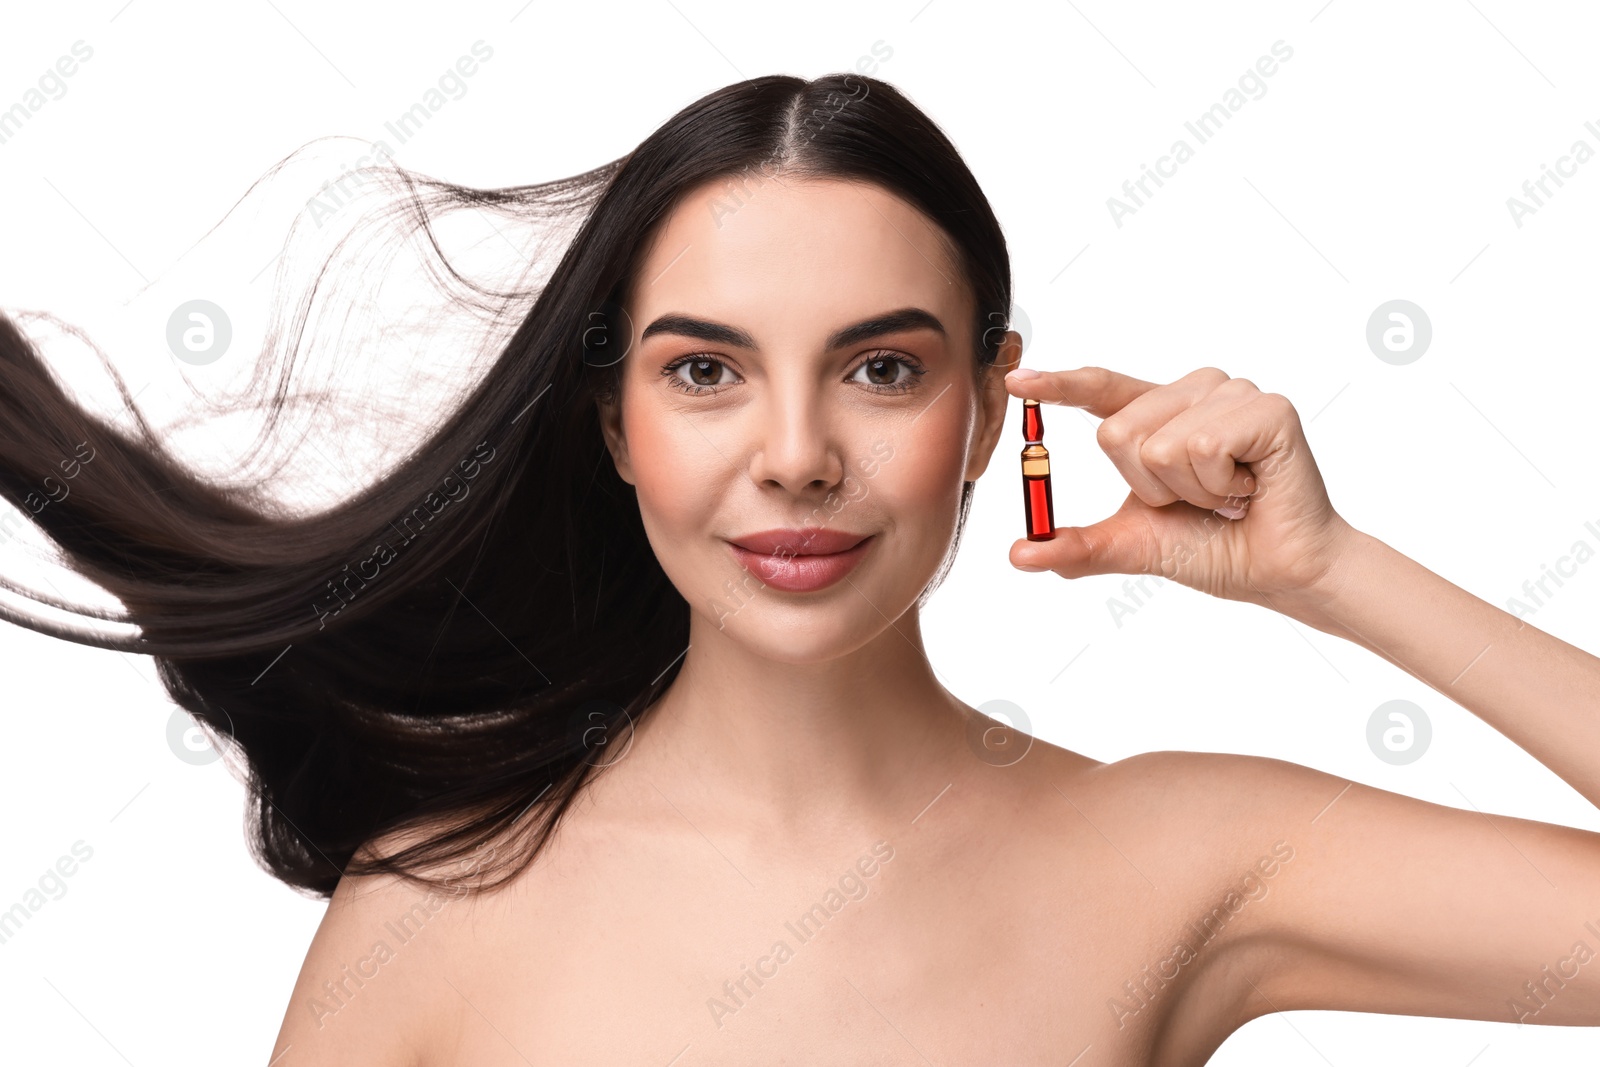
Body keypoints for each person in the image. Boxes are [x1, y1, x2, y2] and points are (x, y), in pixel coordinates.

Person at [2, 73, 1597, 1065]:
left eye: (882, 372)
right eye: (705, 374)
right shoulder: (435, 905)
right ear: (613, 423)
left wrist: (1329, 572)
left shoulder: (1184, 854)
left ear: (986, 412)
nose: (796, 455)